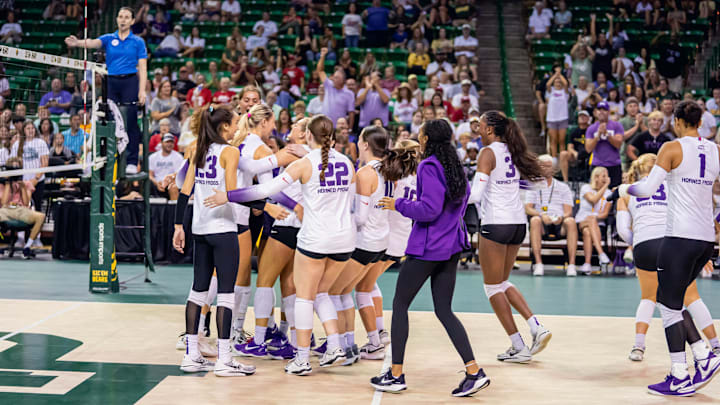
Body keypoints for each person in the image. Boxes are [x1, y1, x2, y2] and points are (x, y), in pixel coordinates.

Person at [203, 115, 356, 375]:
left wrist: (227, 195)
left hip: (316, 238)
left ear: (309, 135)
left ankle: (303, 359)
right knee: (322, 294)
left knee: (305, 298)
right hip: (345, 240)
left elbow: (263, 191)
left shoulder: (305, 163)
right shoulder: (348, 163)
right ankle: (335, 344)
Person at [370, 120, 489, 397]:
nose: (418, 136)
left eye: (421, 132)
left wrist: (397, 204)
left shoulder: (429, 166)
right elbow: (463, 198)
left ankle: (396, 374)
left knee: (399, 305)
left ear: (425, 138)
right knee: (444, 310)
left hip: (428, 247)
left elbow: (428, 209)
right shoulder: (455, 166)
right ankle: (474, 371)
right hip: (450, 246)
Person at [619, 101, 720, 396]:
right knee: (669, 298)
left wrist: (622, 190)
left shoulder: (672, 148)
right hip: (705, 240)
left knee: (669, 307)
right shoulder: (714, 150)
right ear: (700, 121)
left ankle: (680, 374)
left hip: (679, 237)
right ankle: (702, 355)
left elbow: (647, 189)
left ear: (676, 121)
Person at [173, 104, 257, 377]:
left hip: (199, 228)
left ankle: (191, 355)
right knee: (226, 294)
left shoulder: (196, 147)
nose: (236, 128)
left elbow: (184, 191)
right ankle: (224, 359)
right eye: (234, 124)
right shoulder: (230, 152)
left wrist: (178, 226)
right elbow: (232, 192)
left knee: (197, 290)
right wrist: (264, 201)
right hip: (223, 227)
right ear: (224, 127)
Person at [616, 154, 720, 363]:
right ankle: (714, 346)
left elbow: (622, 231)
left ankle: (638, 346)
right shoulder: (674, 187)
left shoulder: (626, 192)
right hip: (672, 243)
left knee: (648, 297)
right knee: (690, 296)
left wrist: (638, 240)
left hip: (644, 245)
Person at [468, 111, 551, 364]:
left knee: (492, 287)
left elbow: (476, 194)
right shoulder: (514, 151)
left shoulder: (487, 153)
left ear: (490, 130)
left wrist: (454, 196)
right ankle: (536, 326)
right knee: (502, 281)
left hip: (496, 223)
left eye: (480, 126)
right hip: (517, 224)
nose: (477, 130)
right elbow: (537, 184)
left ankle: (518, 346)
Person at [65, 7, 148, 174]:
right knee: (108, 120)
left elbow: (143, 68)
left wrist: (142, 90)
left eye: (126, 17)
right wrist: (77, 43)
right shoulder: (109, 38)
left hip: (130, 80)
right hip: (111, 81)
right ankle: (108, 157)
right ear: (117, 19)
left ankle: (132, 161)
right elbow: (93, 42)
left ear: (132, 21)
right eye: (120, 16)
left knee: (130, 120)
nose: (123, 20)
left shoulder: (138, 42)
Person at [525, 155, 577, 277]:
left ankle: (572, 264)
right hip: (542, 222)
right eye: (542, 166)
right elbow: (528, 208)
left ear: (553, 169)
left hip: (559, 221)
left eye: (548, 166)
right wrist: (541, 214)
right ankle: (538, 263)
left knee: (571, 221)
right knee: (535, 220)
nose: (545, 169)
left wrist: (561, 217)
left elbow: (568, 211)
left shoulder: (563, 187)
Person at [0, 160, 46, 259]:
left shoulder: (26, 184)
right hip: (6, 210)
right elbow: (3, 203)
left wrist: (23, 187)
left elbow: (26, 203)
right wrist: (8, 184)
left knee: (41, 216)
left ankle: (27, 247)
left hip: (21, 210)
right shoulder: (3, 184)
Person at [575, 166, 612, 274]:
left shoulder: (609, 193)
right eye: (603, 176)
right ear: (595, 177)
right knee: (590, 220)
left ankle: (587, 264)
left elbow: (605, 214)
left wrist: (595, 217)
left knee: (588, 232)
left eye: (607, 176)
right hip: (582, 220)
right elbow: (593, 200)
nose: (606, 179)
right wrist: (605, 186)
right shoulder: (586, 188)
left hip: (598, 223)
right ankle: (601, 253)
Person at [11, 122, 49, 212]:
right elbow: (14, 162)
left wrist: (36, 179)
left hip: (38, 180)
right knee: (22, 206)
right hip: (22, 181)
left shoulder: (41, 143)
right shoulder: (17, 144)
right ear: (24, 130)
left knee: (37, 207)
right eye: (28, 128)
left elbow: (45, 163)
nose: (31, 130)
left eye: (32, 128)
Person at [585, 101, 624, 187]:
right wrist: (598, 135)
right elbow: (588, 149)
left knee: (614, 193)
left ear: (609, 112)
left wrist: (607, 134)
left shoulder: (617, 125)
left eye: (604, 110)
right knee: (596, 191)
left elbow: (618, 144)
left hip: (614, 165)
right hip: (597, 165)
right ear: (595, 112)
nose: (601, 112)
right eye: (599, 110)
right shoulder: (591, 128)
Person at [316, 48, 355, 129]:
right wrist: (322, 56)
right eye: (334, 77)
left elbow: (351, 113)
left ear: (343, 80)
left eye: (336, 78)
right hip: (325, 126)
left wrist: (350, 128)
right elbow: (320, 71)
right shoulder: (329, 85)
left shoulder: (349, 93)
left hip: (339, 127)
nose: (333, 79)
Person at [149, 133, 184, 200]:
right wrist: (156, 183)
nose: (169, 144)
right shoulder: (153, 157)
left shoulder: (178, 157)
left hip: (171, 182)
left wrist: (167, 182)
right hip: (156, 183)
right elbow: (150, 174)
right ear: (161, 143)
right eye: (167, 142)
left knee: (173, 187)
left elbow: (178, 175)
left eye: (171, 142)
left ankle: (174, 209)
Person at [559, 110, 591, 182]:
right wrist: (574, 153)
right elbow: (569, 147)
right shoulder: (574, 131)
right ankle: (566, 181)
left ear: (588, 118)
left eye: (584, 116)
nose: (582, 117)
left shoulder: (590, 129)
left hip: (588, 154)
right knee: (563, 154)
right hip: (576, 155)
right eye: (580, 116)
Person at [545, 69, 570, 158]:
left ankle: (562, 158)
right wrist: (556, 75)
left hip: (563, 118)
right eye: (556, 82)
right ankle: (554, 159)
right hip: (552, 119)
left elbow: (566, 84)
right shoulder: (550, 91)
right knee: (553, 140)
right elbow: (548, 84)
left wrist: (559, 75)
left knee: (562, 140)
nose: (558, 83)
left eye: (559, 82)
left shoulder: (565, 92)